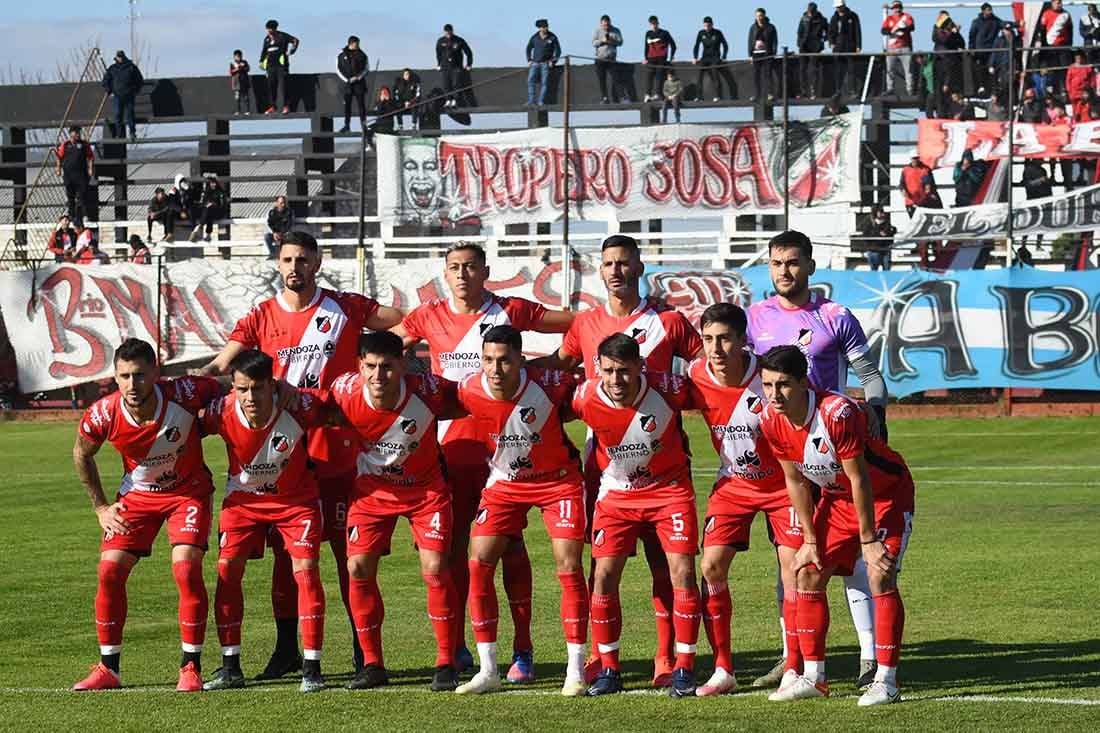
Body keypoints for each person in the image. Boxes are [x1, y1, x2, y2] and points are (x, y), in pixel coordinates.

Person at [201, 230, 403, 681]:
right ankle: (288, 650)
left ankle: (363, 652)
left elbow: (403, 325)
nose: (295, 267)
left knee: (348, 555)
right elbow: (221, 365)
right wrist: (185, 385)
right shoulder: (261, 315)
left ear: (318, 262)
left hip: (340, 449)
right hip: (285, 455)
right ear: (279, 264)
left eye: (303, 260)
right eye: (288, 259)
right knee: (286, 559)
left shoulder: (346, 307)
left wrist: (376, 379)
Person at [392, 242, 575, 684]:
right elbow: (384, 349)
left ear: (485, 271)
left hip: (506, 450)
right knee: (454, 553)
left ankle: (523, 649)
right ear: (445, 272)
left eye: (471, 267)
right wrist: (409, 382)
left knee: (509, 548)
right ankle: (456, 648)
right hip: (449, 448)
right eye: (454, 267)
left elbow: (578, 325)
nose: (462, 275)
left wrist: (549, 366)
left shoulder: (509, 309)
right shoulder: (426, 316)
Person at [536, 234, 703, 690]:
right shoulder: (586, 324)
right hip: (606, 466)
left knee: (665, 565)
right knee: (603, 567)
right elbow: (559, 367)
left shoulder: (668, 322)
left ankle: (667, 658)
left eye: (624, 262)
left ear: (639, 266)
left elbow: (706, 367)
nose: (616, 270)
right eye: (608, 263)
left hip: (665, 461)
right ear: (600, 268)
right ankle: (600, 657)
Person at [746, 230, 891, 691]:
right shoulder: (755, 319)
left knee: (854, 560)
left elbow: (869, 374)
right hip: (786, 451)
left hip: (834, 448)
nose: (784, 271)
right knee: (792, 557)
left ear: (810, 266)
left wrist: (876, 414)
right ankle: (794, 659)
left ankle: (869, 656)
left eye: (792, 262)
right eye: (775, 263)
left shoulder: (834, 316)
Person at [760, 345, 913, 707]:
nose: (774, 394)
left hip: (885, 495)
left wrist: (869, 540)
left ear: (803, 382)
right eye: (767, 385)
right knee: (808, 573)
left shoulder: (836, 413)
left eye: (782, 385)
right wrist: (810, 539)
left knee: (879, 575)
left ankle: (886, 680)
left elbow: (860, 479)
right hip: (837, 498)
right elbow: (795, 480)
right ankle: (814, 677)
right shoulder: (769, 419)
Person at [71, 339, 221, 691]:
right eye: (124, 376)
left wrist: (211, 418)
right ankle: (109, 669)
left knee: (186, 568)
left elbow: (231, 392)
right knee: (109, 569)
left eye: (139, 375)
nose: (132, 384)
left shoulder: (186, 391)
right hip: (137, 498)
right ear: (115, 376)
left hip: (188, 493)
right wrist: (101, 508)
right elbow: (81, 453)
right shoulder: (103, 413)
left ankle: (190, 667)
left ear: (156, 372)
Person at [452, 326, 589, 696]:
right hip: (505, 483)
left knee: (568, 563)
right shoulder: (469, 388)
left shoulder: (552, 383)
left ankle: (575, 670)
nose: (495, 369)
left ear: (520, 360)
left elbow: (593, 394)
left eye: (505, 360)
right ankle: (488, 670)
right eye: (488, 360)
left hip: (558, 480)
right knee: (478, 560)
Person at [327, 331, 463, 692]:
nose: (377, 375)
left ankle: (447, 661)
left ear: (403, 365)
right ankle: (372, 664)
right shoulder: (344, 390)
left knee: (435, 567)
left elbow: (468, 398)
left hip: (426, 491)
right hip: (372, 492)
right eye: (369, 366)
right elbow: (312, 407)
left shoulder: (428, 389)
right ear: (359, 366)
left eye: (387, 367)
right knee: (357, 566)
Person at [574, 334, 702, 698]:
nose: (616, 380)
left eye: (625, 372)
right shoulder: (584, 397)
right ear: (598, 369)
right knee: (603, 576)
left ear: (641, 368)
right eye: (609, 371)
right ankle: (609, 669)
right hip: (616, 496)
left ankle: (683, 668)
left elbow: (714, 397)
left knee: (682, 572)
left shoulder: (670, 389)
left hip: (670, 492)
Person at [686, 304, 800, 698]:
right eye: (707, 340)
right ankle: (723, 669)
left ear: (742, 339)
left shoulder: (767, 379)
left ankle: (796, 666)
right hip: (733, 484)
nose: (715, 349)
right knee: (711, 566)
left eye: (725, 339)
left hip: (784, 486)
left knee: (793, 571)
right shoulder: (694, 376)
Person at [200, 350, 329, 693]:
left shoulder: (298, 405)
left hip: (295, 501)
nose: (250, 397)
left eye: (257, 388)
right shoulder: (220, 412)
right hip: (243, 502)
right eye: (242, 389)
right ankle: (230, 667)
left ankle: (312, 669)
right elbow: (184, 426)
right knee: (227, 571)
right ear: (233, 388)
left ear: (273, 385)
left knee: (306, 571)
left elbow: (343, 412)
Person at [55, 126, 94, 227]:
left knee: (81, 196)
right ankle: (71, 215)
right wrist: (58, 168)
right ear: (71, 134)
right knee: (70, 196)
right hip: (68, 175)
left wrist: (90, 168)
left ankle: (81, 215)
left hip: (81, 175)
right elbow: (59, 157)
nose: (77, 135)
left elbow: (90, 157)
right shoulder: (65, 144)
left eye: (78, 133)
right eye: (75, 133)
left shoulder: (84, 144)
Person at [260, 19, 299, 114]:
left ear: (275, 29)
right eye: (267, 29)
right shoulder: (267, 39)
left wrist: (292, 51)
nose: (269, 31)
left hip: (281, 66)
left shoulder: (282, 36)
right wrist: (261, 62)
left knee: (283, 86)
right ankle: (272, 107)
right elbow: (264, 52)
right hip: (270, 66)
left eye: (270, 29)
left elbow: (295, 40)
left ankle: (286, 106)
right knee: (271, 86)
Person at [102, 51, 143, 141]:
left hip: (129, 95)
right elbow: (105, 81)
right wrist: (109, 92)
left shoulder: (131, 67)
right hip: (117, 96)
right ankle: (120, 134)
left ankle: (132, 133)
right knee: (117, 115)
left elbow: (139, 80)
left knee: (130, 115)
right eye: (119, 57)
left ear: (124, 57)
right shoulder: (112, 68)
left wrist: (135, 91)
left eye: (121, 57)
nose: (120, 58)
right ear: (116, 57)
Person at [693, 16, 733, 102]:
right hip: (705, 58)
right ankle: (699, 96)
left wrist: (724, 56)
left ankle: (718, 96)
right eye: (705, 25)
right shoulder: (701, 33)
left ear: (712, 25)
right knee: (700, 76)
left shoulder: (717, 33)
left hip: (715, 57)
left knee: (715, 75)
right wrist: (695, 57)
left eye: (709, 25)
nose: (707, 27)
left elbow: (725, 45)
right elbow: (696, 46)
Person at [828, 0, 862, 98]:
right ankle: (838, 91)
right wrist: (831, 42)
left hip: (850, 45)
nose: (838, 9)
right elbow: (831, 31)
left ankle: (853, 91)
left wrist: (858, 45)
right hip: (838, 47)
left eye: (840, 6)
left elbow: (857, 31)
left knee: (852, 69)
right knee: (838, 70)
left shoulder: (853, 16)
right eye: (837, 7)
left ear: (844, 5)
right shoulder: (834, 18)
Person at [880, 2, 914, 97]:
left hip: (905, 47)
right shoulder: (889, 18)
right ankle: (890, 88)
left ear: (901, 8)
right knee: (890, 70)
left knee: (908, 70)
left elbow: (911, 27)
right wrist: (891, 31)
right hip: (892, 49)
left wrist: (901, 30)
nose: (897, 10)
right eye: (895, 8)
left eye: (898, 7)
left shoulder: (906, 16)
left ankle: (910, 89)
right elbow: (883, 30)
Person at [1040, 0, 1073, 96]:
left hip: (1063, 46)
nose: (1059, 5)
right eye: (1057, 2)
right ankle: (1053, 91)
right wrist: (1044, 46)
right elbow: (1042, 31)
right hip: (1050, 46)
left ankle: (1064, 90)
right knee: (1052, 69)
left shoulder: (1066, 14)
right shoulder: (1046, 14)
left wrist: (1069, 44)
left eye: (1060, 2)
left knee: (1064, 68)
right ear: (1052, 3)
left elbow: (1070, 30)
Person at [436, 24, 474, 108]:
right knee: (446, 84)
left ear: (452, 31)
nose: (448, 33)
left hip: (456, 67)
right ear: (444, 32)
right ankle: (448, 100)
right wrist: (438, 64)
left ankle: (455, 100)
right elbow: (438, 54)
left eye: (449, 31)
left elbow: (469, 53)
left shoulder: (459, 40)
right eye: (446, 31)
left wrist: (469, 64)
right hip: (445, 67)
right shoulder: (441, 41)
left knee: (456, 84)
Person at [969, 3, 1003, 96]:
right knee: (979, 69)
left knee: (991, 69)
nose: (990, 12)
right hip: (980, 50)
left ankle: (993, 90)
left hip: (991, 50)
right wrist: (971, 49)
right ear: (983, 11)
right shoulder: (976, 22)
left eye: (991, 9)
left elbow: (1003, 24)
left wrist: (1015, 24)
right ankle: (981, 87)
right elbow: (972, 36)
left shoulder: (995, 21)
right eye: (988, 10)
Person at [797, 3, 829, 100]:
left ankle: (813, 91)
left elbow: (828, 31)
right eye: (809, 11)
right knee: (802, 69)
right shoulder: (803, 18)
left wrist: (823, 40)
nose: (810, 13)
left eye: (812, 12)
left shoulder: (822, 19)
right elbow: (799, 31)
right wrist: (799, 42)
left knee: (813, 69)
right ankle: (803, 91)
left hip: (815, 46)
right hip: (804, 45)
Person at [338, 36, 369, 133]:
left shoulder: (363, 55)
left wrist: (358, 77)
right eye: (357, 44)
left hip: (359, 83)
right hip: (347, 84)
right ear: (351, 43)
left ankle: (364, 126)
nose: (358, 45)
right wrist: (347, 80)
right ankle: (347, 125)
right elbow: (338, 69)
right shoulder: (341, 55)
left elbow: (367, 68)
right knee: (347, 105)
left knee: (361, 106)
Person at [526, 19, 561, 107]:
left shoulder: (552, 37)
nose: (545, 29)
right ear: (539, 28)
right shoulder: (534, 37)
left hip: (546, 63)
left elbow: (558, 51)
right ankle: (531, 101)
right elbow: (528, 48)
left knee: (544, 83)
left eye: (546, 27)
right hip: (535, 63)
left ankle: (540, 101)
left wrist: (553, 61)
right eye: (542, 27)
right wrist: (529, 60)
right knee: (530, 81)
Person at [643, 16, 677, 102]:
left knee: (659, 76)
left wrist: (672, 57)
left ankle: (657, 94)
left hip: (661, 58)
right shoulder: (648, 33)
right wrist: (645, 58)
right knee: (649, 76)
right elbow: (646, 47)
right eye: (652, 24)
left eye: (655, 23)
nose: (654, 25)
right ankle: (647, 95)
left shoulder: (664, 33)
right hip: (651, 58)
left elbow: (673, 45)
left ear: (658, 23)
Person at [748, 8, 779, 103]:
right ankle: (757, 94)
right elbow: (750, 41)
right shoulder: (753, 27)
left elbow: (775, 41)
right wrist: (750, 54)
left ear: (764, 16)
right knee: (756, 75)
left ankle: (770, 93)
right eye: (757, 16)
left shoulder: (770, 27)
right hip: (756, 54)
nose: (759, 18)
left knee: (768, 74)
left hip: (767, 53)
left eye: (761, 16)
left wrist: (773, 53)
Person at [593, 15, 625, 104]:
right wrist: (602, 40)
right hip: (600, 59)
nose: (606, 26)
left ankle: (622, 98)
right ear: (601, 23)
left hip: (611, 58)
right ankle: (605, 98)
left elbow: (621, 42)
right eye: (604, 25)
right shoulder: (597, 31)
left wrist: (612, 40)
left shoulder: (616, 30)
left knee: (616, 79)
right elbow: (593, 43)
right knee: (602, 80)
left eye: (607, 24)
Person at [189, 176, 228, 243]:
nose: (213, 184)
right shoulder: (206, 192)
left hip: (219, 212)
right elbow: (202, 203)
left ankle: (197, 229)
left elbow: (222, 205)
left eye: (214, 183)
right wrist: (206, 204)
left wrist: (213, 204)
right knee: (207, 211)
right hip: (208, 212)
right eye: (211, 183)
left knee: (209, 209)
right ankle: (208, 234)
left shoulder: (220, 192)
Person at [858, 206, 896, 270]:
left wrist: (888, 232)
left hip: (885, 250)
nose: (882, 214)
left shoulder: (886, 223)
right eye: (880, 212)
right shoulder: (870, 223)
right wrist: (879, 234)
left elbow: (892, 230)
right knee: (874, 271)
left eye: (882, 212)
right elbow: (865, 236)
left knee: (886, 270)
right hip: (874, 250)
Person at [989, 23, 1019, 100]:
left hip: (1012, 66)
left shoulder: (1015, 40)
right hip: (1001, 66)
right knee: (1002, 85)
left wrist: (1017, 67)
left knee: (1011, 85)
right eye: (1006, 30)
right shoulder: (999, 40)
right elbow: (994, 53)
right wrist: (991, 65)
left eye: (1009, 30)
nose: (1008, 32)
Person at [230, 50, 252, 115]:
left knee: (245, 97)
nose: (237, 58)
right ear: (234, 57)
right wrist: (237, 68)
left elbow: (248, 69)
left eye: (239, 56)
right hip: (236, 83)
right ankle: (238, 111)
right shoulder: (232, 64)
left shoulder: (244, 62)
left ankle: (247, 111)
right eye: (236, 56)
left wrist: (241, 67)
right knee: (237, 97)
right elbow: (231, 72)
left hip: (244, 82)